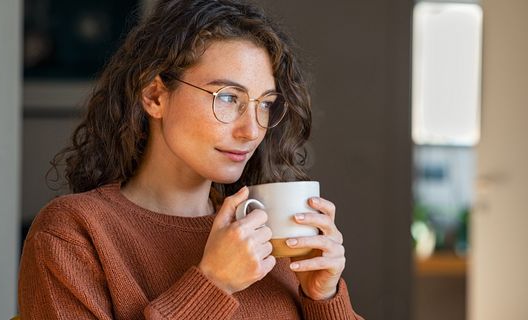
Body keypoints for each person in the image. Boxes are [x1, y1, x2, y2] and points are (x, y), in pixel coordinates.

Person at [18, 0, 363, 319]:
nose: (252, 130)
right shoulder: (72, 234)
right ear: (155, 96)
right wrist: (212, 284)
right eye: (228, 97)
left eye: (265, 104)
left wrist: (324, 297)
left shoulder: (269, 231)